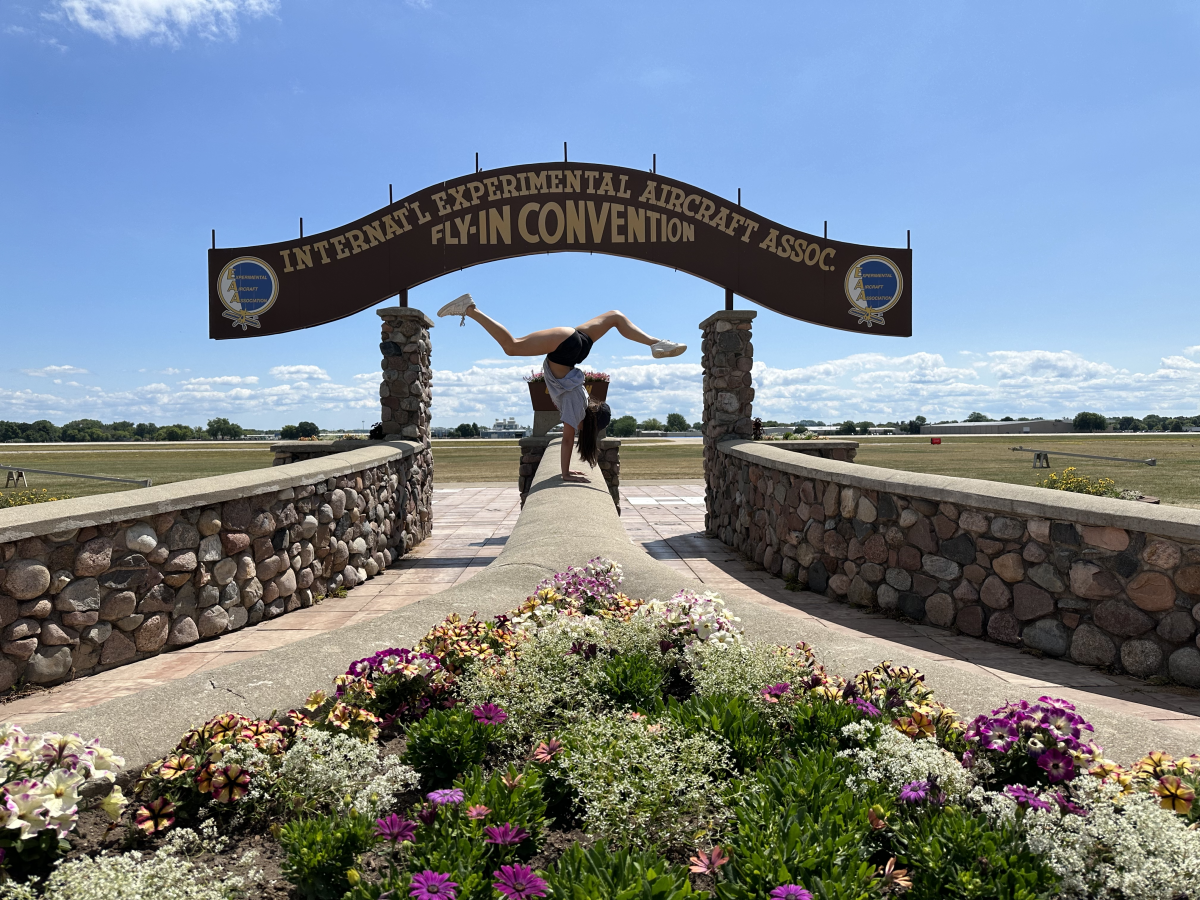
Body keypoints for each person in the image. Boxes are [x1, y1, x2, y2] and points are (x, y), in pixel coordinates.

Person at [436, 293, 686, 482]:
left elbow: (571, 437)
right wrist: (565, 474)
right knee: (511, 346)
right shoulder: (576, 411)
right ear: (587, 424)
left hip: (578, 346)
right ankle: (470, 309)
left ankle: (655, 342)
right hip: (563, 351)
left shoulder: (583, 398)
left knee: (615, 317)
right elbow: (566, 441)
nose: (577, 430)